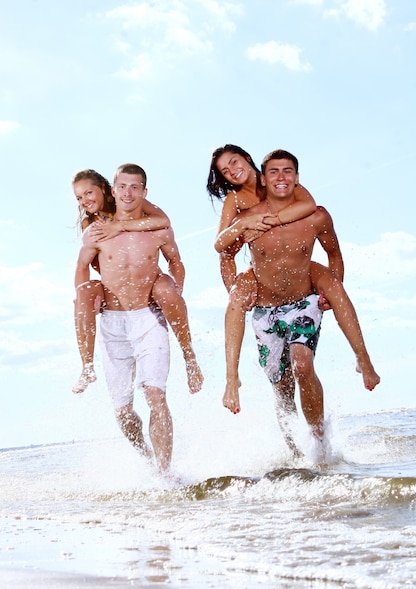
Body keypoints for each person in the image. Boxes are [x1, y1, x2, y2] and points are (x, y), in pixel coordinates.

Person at [207, 146, 380, 455]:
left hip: (302, 292)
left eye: (234, 162)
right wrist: (235, 282)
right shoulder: (238, 207)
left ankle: (320, 441)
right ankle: (293, 452)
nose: (232, 170)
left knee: (302, 364)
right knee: (281, 385)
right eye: (224, 170)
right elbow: (223, 249)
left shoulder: (298, 197)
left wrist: (328, 291)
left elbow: (327, 238)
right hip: (264, 300)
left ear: (248, 160)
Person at [74, 163, 195, 471]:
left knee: (155, 394)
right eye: (122, 187)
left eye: (134, 187)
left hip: (148, 318)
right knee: (124, 413)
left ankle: (165, 476)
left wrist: (173, 289)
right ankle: (146, 457)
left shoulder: (157, 227)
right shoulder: (95, 230)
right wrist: (90, 300)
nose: (128, 193)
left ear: (143, 192)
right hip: (113, 323)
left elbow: (177, 262)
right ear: (113, 190)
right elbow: (81, 271)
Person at [72, 169, 203, 397]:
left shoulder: (130, 200)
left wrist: (120, 225)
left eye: (89, 193)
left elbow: (163, 221)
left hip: (145, 284)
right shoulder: (90, 224)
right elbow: (85, 265)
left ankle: (190, 358)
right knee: (82, 293)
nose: (85, 201)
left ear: (104, 190)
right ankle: (87, 367)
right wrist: (87, 301)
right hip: (113, 290)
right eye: (79, 198)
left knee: (165, 289)